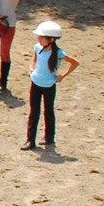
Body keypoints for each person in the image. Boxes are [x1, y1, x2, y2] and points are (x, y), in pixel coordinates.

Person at [23, 21, 79, 150]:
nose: (39, 39)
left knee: (48, 111)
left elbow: (75, 63)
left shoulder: (59, 53)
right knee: (34, 112)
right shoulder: (38, 47)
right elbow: (35, 57)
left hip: (49, 86)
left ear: (51, 39)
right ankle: (30, 140)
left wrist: (62, 76)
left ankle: (49, 137)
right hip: (35, 83)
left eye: (42, 37)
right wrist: (32, 67)